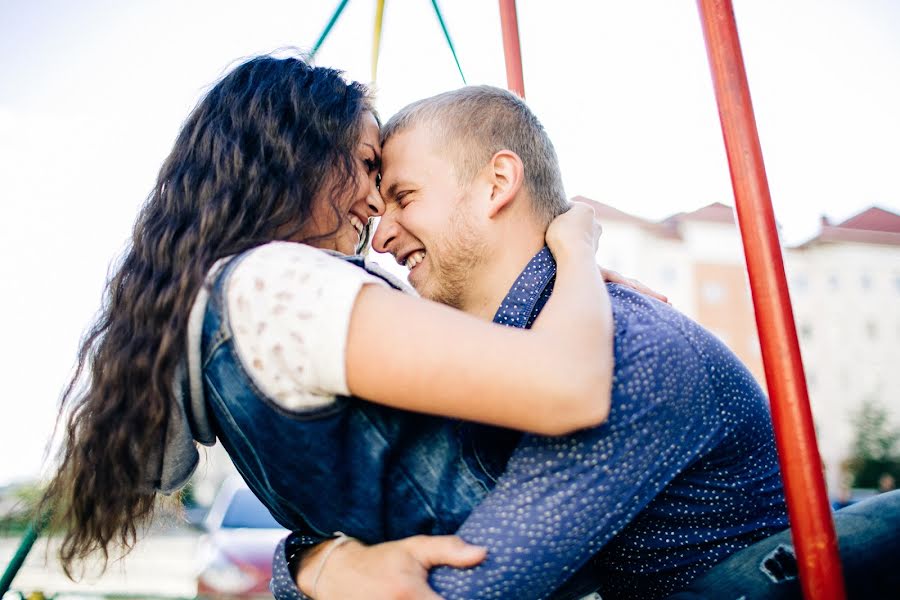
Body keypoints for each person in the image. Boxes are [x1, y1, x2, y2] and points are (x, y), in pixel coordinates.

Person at [39, 53, 624, 582]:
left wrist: (313, 566)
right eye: (368, 166)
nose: (375, 203)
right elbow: (569, 385)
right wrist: (575, 252)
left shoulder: (220, 320)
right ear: (293, 156)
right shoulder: (277, 285)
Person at [272, 85, 790, 600]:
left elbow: (460, 589)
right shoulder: (517, 351)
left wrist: (304, 568)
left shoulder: (630, 351)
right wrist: (311, 562)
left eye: (404, 198)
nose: (380, 237)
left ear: (498, 183)